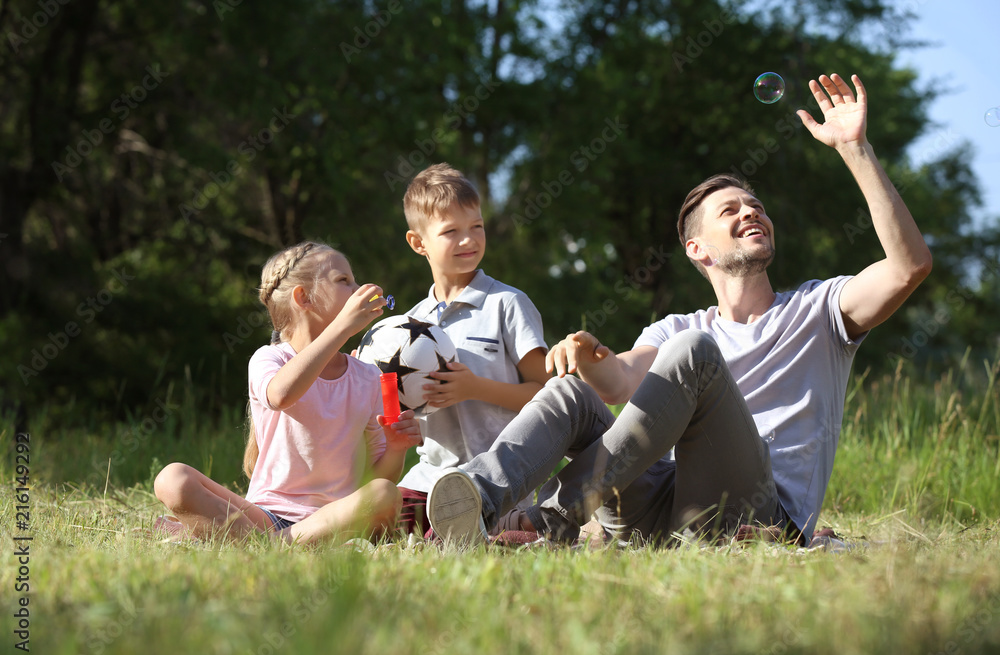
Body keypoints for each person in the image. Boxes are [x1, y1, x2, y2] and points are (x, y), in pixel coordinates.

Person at [425, 73, 933, 546]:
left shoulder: (820, 308)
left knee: (694, 353)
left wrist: (855, 149)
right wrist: (585, 356)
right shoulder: (677, 327)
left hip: (754, 516)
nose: (751, 212)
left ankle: (547, 520)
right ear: (698, 250)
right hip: (658, 510)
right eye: (730, 210)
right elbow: (620, 383)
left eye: (755, 206)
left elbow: (909, 266)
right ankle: (474, 504)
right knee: (572, 395)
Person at [154, 241, 422, 545]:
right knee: (172, 479)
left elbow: (378, 479)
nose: (357, 289)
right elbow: (282, 395)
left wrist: (397, 447)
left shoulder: (367, 376)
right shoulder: (269, 359)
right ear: (303, 298)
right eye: (343, 280)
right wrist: (342, 329)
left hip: (335, 517)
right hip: (265, 516)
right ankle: (280, 544)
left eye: (354, 279)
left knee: (385, 494)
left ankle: (259, 545)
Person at [393, 163, 550, 536]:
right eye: (451, 232)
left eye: (476, 227)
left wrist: (474, 388)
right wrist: (407, 424)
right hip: (430, 477)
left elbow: (548, 396)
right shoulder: (409, 324)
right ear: (418, 243)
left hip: (499, 481)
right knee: (375, 512)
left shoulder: (508, 304)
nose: (469, 240)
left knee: (446, 534)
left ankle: (496, 530)